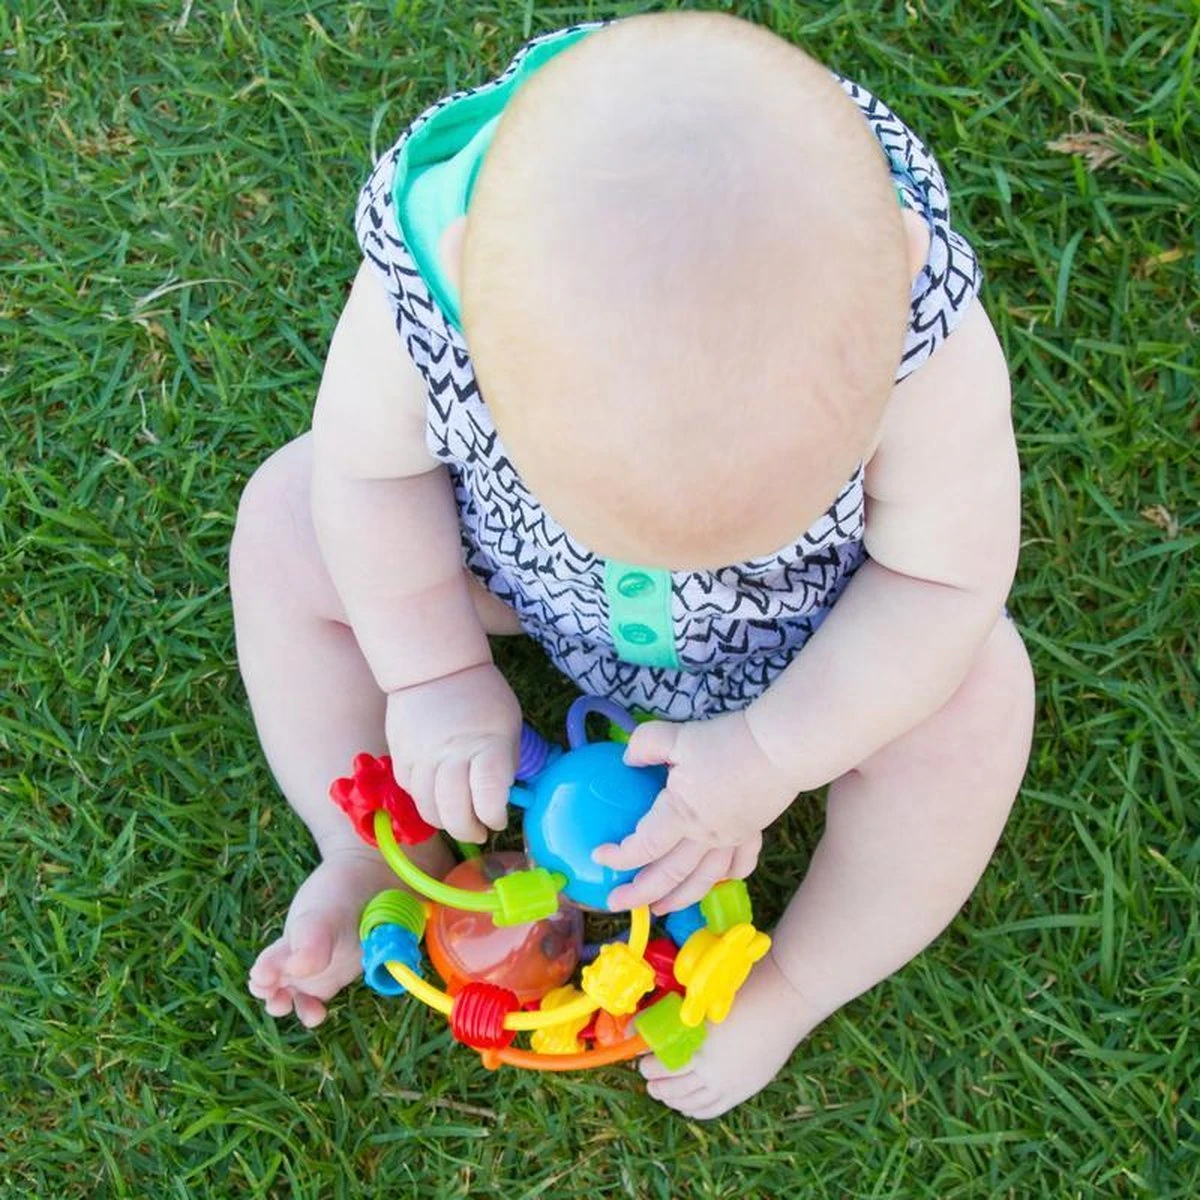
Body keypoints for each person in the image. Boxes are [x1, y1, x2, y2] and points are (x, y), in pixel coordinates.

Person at [233, 12, 1034, 1120]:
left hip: (801, 629)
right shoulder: (432, 291)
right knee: (289, 514)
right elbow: (371, 477)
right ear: (471, 291)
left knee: (977, 696)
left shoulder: (917, 339)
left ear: (899, 278)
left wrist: (770, 748)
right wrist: (431, 673)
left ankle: (792, 985)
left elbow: (941, 585)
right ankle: (368, 851)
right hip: (523, 578)